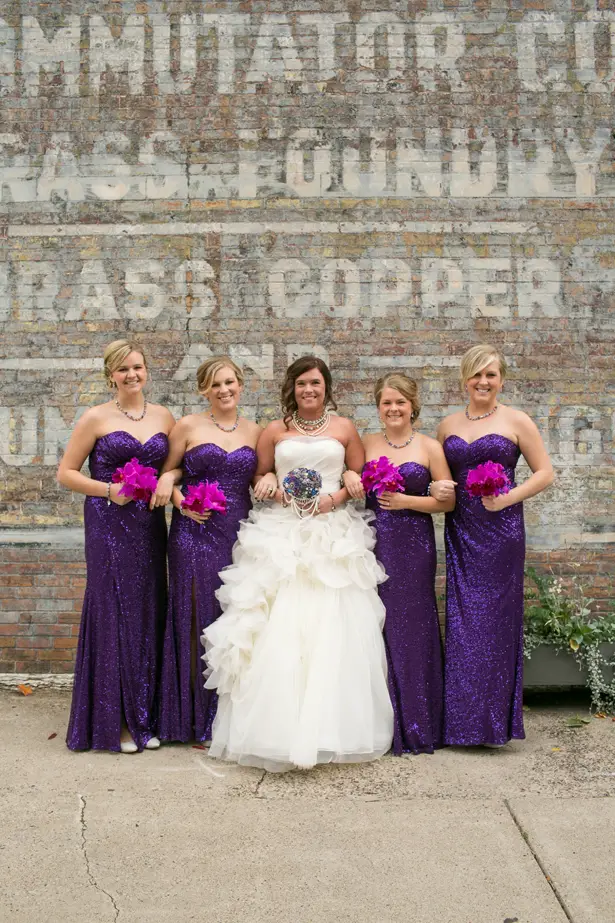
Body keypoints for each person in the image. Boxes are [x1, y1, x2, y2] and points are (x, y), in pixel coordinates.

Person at [202, 356, 394, 772]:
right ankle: (275, 730)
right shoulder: (275, 430)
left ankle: (334, 728)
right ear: (293, 388)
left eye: (316, 383)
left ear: (326, 387)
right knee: (280, 621)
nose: (310, 390)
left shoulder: (344, 429)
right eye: (303, 384)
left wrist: (334, 498)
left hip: (331, 531)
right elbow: (259, 477)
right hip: (283, 530)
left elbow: (356, 476)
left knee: (332, 621)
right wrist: (267, 485)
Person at [432, 344, 554, 747]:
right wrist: (435, 487)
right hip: (461, 531)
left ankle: (492, 725)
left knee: (495, 622)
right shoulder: (447, 425)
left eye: (491, 375)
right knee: (463, 620)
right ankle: (462, 724)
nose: (483, 382)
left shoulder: (517, 420)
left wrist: (507, 498)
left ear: (501, 380)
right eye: (476, 375)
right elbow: (443, 481)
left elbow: (545, 473)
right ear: (465, 379)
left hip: (501, 532)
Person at [57, 339, 175, 753]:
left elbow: (175, 465)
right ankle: (117, 721)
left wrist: (168, 480)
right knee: (114, 609)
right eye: (123, 369)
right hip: (109, 523)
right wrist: (109, 490)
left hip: (148, 526)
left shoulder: (163, 416)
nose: (132, 375)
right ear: (111, 374)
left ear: (147, 370)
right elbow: (66, 474)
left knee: (147, 609)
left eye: (138, 368)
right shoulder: (95, 418)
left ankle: (146, 715)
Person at [344, 373, 454, 755]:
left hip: (414, 545)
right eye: (386, 403)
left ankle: (421, 719)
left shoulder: (429, 447)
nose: (393, 409)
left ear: (412, 406)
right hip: (374, 543)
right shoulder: (366, 443)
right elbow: (349, 480)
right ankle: (380, 722)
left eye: (400, 403)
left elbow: (448, 501)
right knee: (377, 623)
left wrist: (409, 501)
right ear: (378, 407)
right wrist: (346, 473)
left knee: (415, 624)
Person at [157, 357, 260, 744]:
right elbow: (166, 474)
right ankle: (190, 720)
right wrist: (180, 499)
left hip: (239, 535)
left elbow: (263, 474)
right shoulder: (187, 426)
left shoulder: (255, 431)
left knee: (231, 620)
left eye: (230, 382)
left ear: (241, 384)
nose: (224, 390)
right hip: (194, 533)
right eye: (215, 385)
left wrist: (268, 480)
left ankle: (227, 719)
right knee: (195, 616)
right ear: (204, 390)